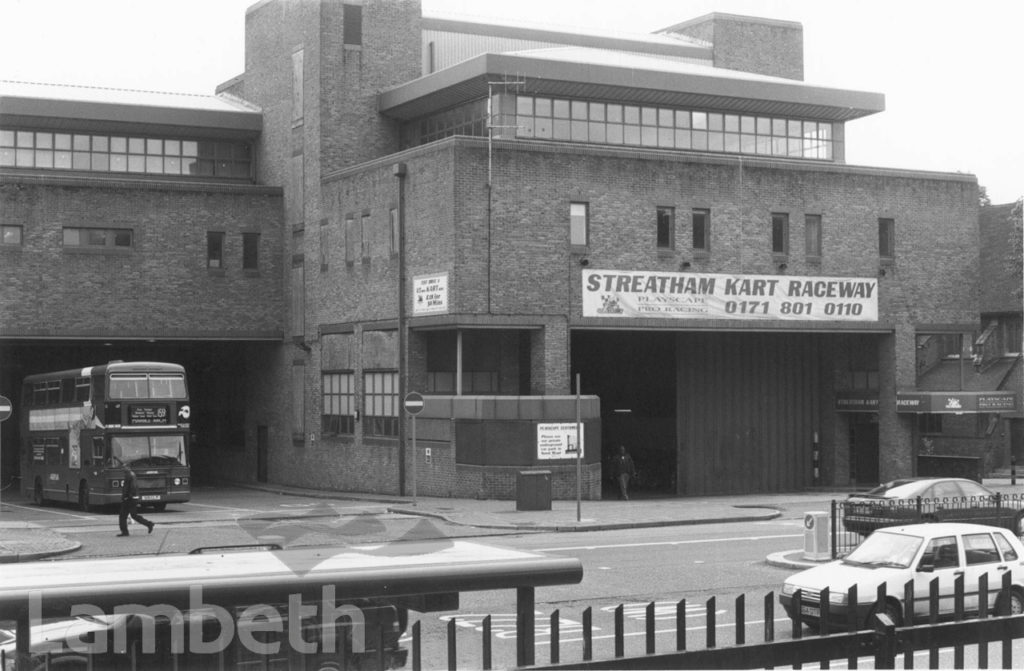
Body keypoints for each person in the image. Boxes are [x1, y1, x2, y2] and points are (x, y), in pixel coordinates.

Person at [118, 468, 154, 536]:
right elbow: (134, 486)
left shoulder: (128, 475)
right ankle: (149, 524)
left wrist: (125, 496)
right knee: (133, 515)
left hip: (129, 498)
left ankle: (125, 532)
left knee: (122, 516)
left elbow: (128, 487)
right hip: (133, 498)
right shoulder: (132, 474)